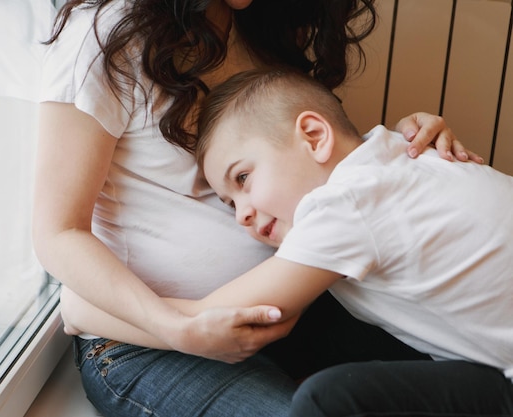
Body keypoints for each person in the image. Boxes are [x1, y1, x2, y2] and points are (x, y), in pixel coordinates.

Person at [33, 1, 483, 416]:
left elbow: (319, 162)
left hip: (305, 305)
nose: (242, 215)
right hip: (151, 342)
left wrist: (399, 147)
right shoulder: (103, 37)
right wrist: (172, 328)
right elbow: (58, 232)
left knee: (475, 366)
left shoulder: (261, 23)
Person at [185, 67, 513, 416]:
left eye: (243, 177)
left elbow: (216, 314)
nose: (241, 216)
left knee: (328, 399)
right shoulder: (391, 151)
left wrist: (142, 325)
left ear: (314, 137)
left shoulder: (345, 204)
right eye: (230, 203)